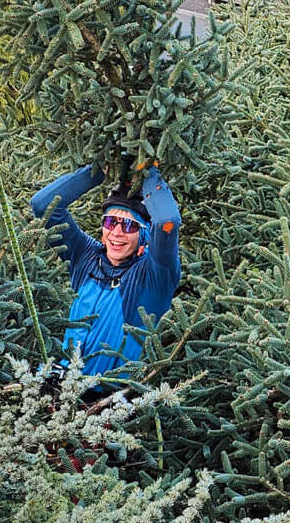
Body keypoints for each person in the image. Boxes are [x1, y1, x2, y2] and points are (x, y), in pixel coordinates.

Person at [30, 163, 181, 381]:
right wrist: (99, 170)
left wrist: (148, 172)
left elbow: (167, 222)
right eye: (111, 222)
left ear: (145, 235)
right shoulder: (85, 256)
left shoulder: (155, 276)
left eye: (129, 226)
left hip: (108, 401)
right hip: (61, 387)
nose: (117, 233)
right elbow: (43, 206)